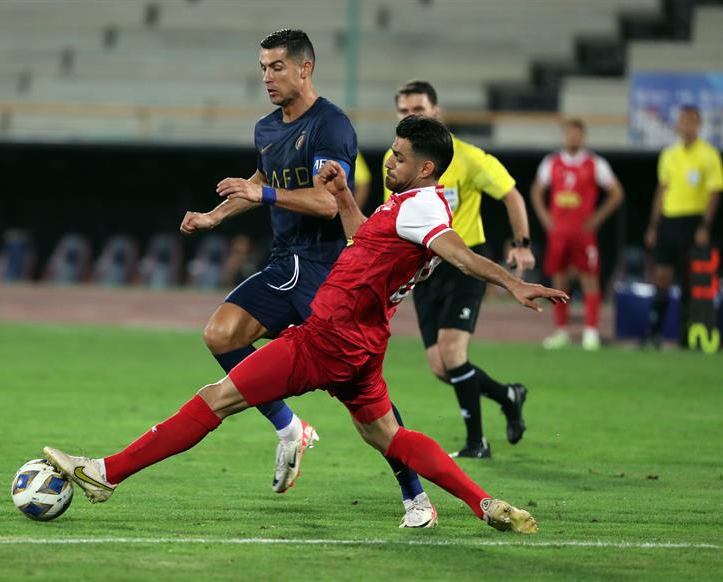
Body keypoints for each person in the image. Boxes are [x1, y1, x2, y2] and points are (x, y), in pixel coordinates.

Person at [45, 116, 568, 533]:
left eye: (401, 157)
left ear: (427, 168)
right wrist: (343, 197)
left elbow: (454, 252)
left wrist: (510, 282)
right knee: (388, 435)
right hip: (362, 350)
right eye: (392, 150)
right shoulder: (408, 206)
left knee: (218, 397)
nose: (389, 160)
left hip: (325, 341)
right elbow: (366, 239)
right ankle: (483, 503)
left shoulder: (424, 208)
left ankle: (106, 474)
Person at [179, 30, 436, 528]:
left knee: (368, 406)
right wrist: (215, 216)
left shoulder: (331, 126)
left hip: (326, 272)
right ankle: (290, 426)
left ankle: (415, 496)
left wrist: (264, 197)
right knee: (221, 334)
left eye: (276, 67)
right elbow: (261, 178)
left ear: (304, 68)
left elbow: (328, 202)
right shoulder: (267, 128)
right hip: (284, 264)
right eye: (261, 68)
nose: (267, 77)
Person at [382, 81, 536, 459]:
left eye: (417, 108)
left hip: (465, 263)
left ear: (436, 111)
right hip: (425, 270)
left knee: (452, 354)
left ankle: (476, 443)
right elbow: (393, 219)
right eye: (403, 110)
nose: (410, 115)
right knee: (439, 365)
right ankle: (507, 395)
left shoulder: (467, 158)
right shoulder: (396, 161)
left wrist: (522, 245)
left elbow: (511, 195)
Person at [531, 119, 625, 351]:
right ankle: (561, 331)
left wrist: (598, 218)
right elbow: (536, 190)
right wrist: (545, 218)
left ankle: (591, 332)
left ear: (583, 137)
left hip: (583, 233)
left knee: (589, 279)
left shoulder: (595, 163)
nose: (573, 138)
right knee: (560, 280)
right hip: (559, 233)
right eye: (569, 134)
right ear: (564, 136)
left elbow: (616, 192)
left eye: (577, 134)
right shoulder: (551, 162)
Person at [643, 105, 722, 347]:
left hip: (693, 221)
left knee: (694, 279)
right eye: (683, 121)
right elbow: (662, 189)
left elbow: (714, 193)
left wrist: (705, 226)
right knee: (662, 276)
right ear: (678, 124)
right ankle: (654, 333)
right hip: (669, 220)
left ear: (698, 125)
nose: (687, 125)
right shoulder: (669, 154)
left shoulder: (709, 155)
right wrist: (654, 225)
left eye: (691, 121)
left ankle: (690, 336)